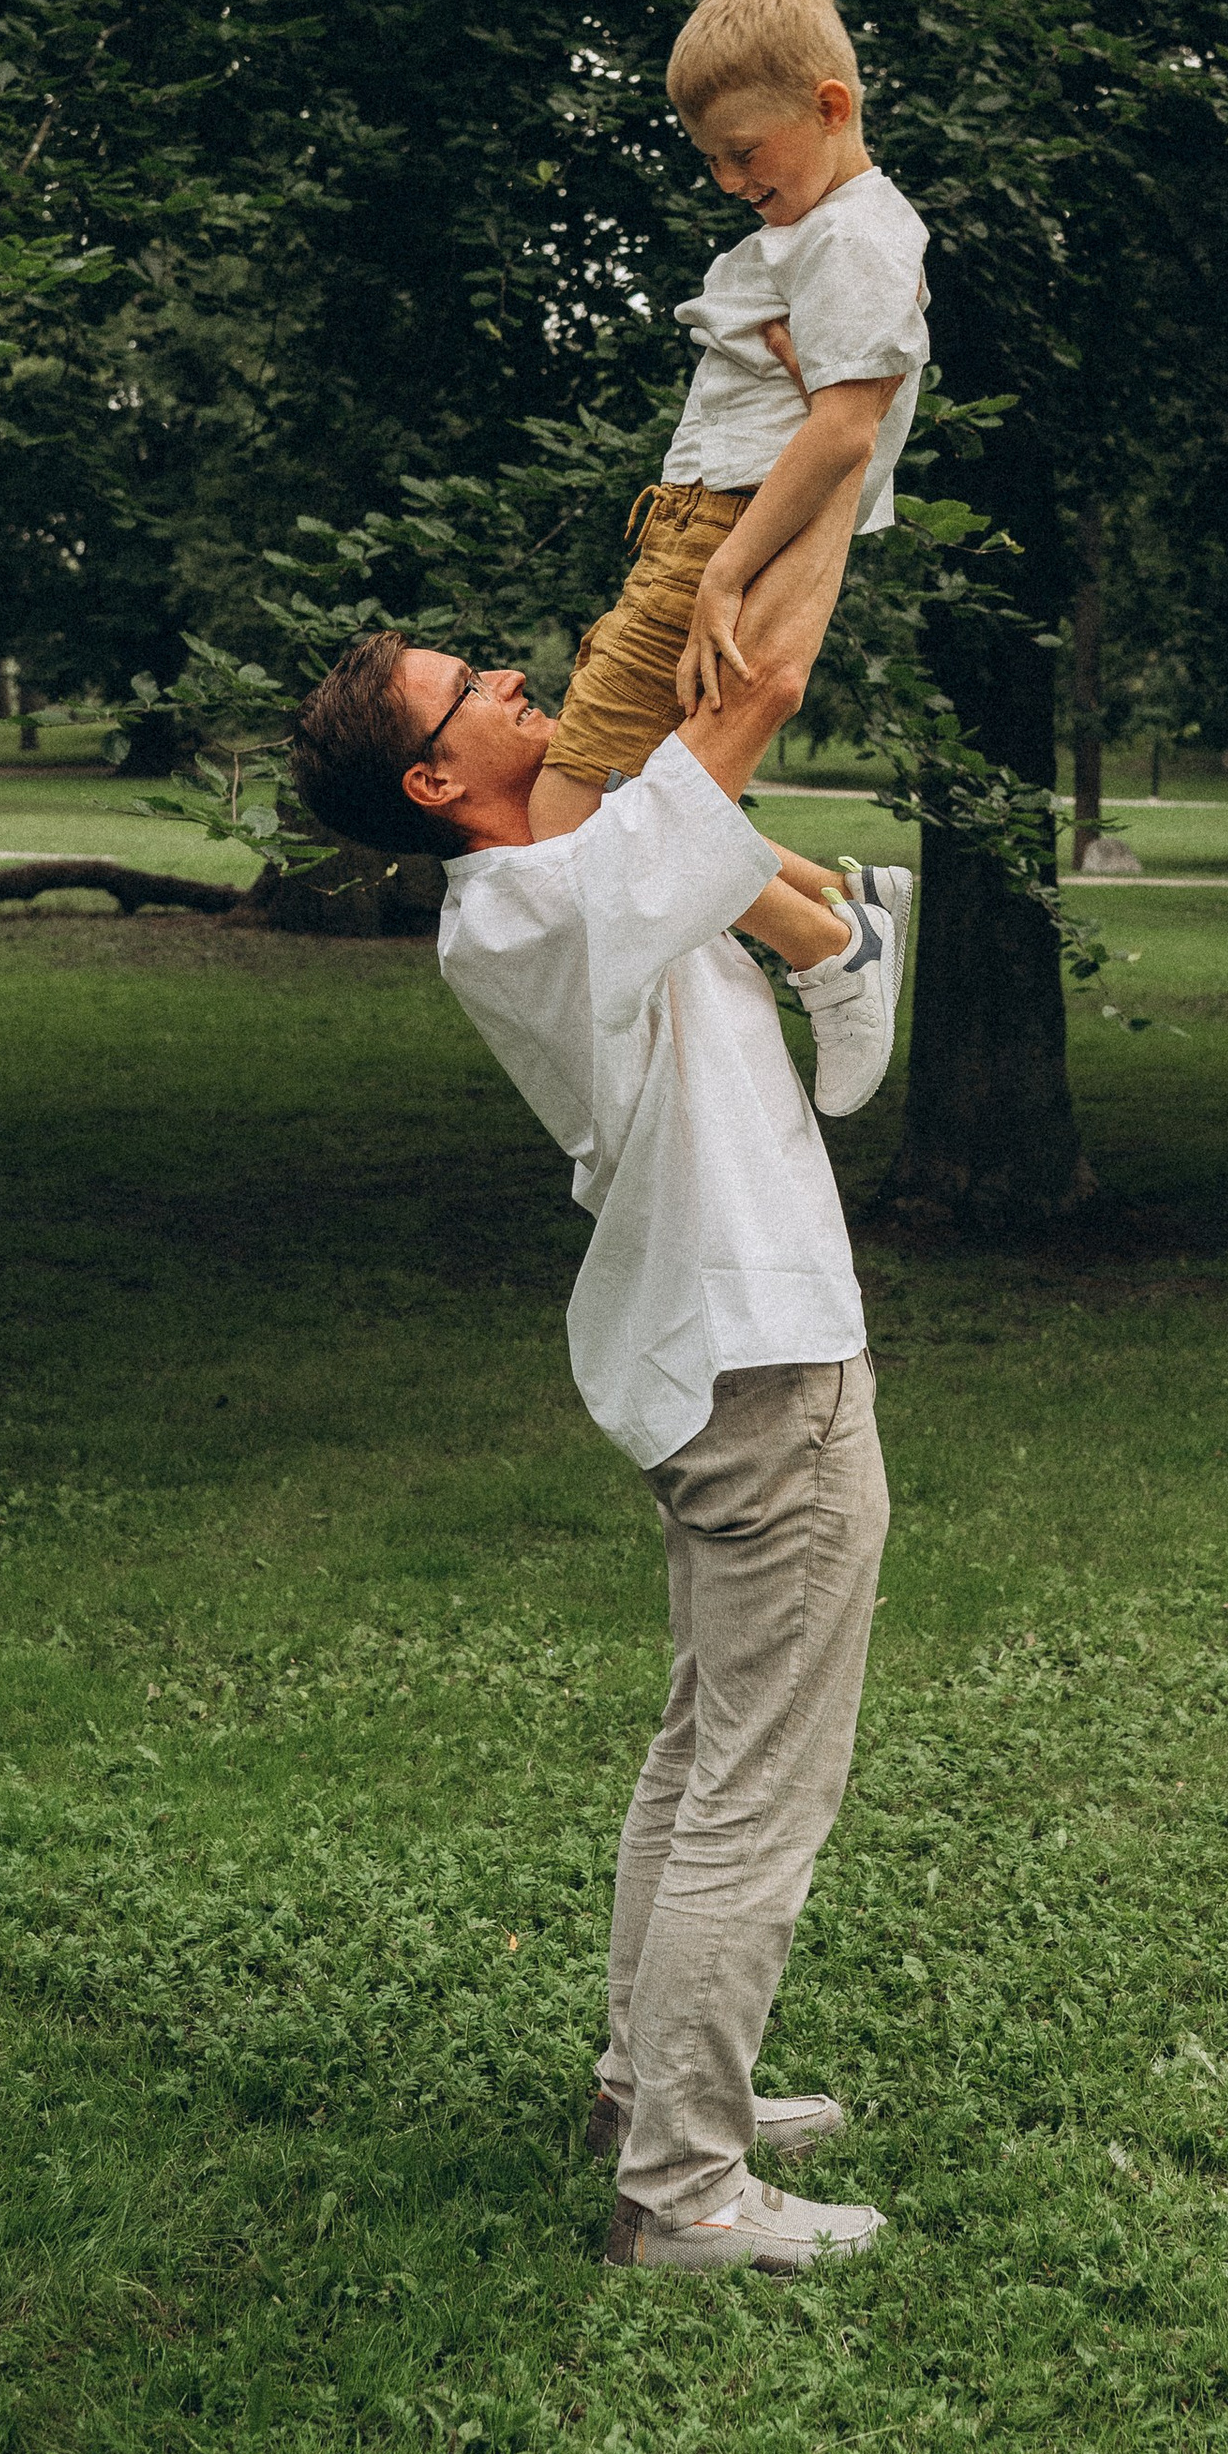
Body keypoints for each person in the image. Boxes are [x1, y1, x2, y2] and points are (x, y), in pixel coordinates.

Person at [288, 534, 896, 2278]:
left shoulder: (554, 881)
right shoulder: (552, 901)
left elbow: (717, 834)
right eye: (469, 691)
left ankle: (648, 2090)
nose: (510, 680)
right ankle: (690, 2189)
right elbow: (762, 686)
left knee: (709, 1741)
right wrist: (788, 512)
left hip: (712, 1357)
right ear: (435, 777)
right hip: (761, 1366)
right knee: (759, 1786)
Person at [528, 0, 930, 945]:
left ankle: (829, 948)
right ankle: (844, 907)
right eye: (710, 159)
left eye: (744, 153)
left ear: (830, 106)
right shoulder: (826, 234)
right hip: (711, 510)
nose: (730, 181)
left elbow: (846, 429)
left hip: (728, 519)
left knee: (567, 810)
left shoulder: (851, 239)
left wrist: (724, 570)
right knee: (653, 793)